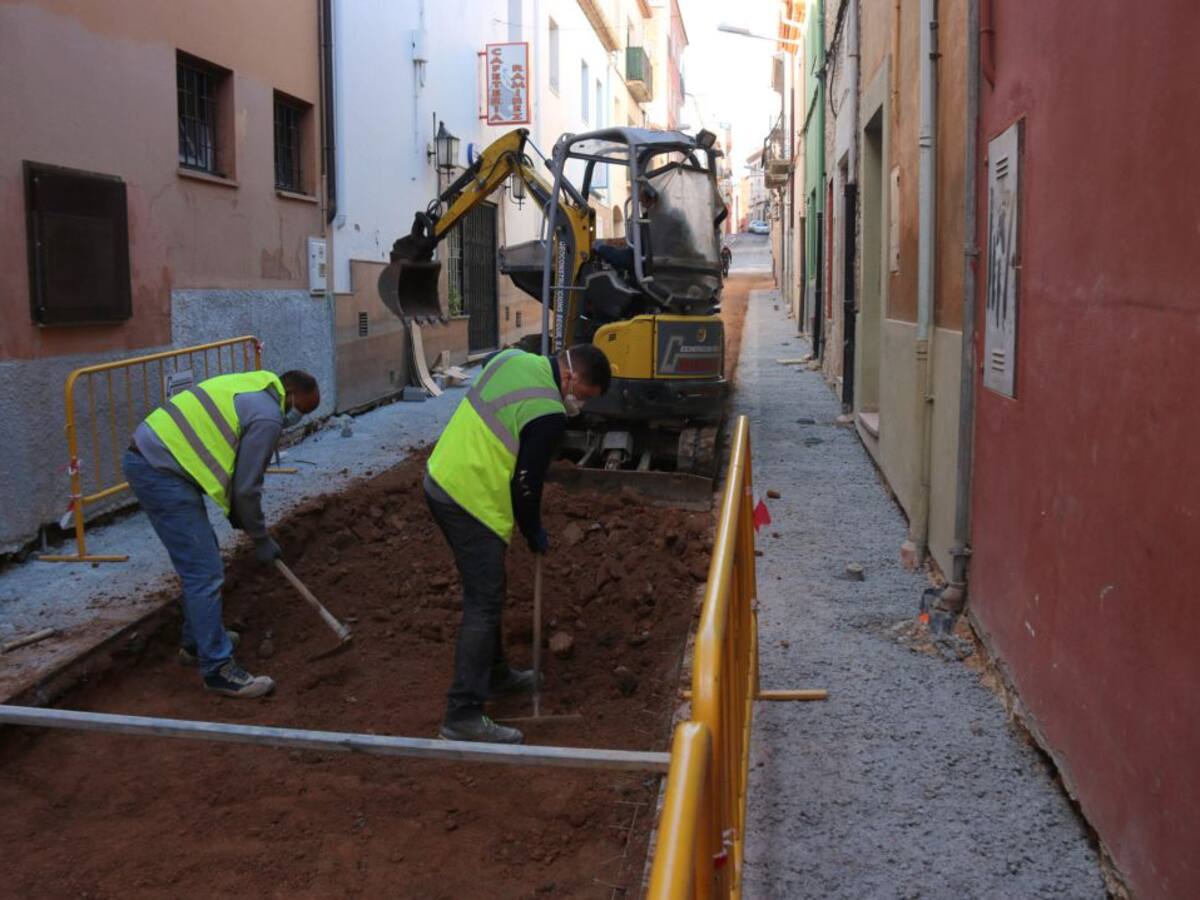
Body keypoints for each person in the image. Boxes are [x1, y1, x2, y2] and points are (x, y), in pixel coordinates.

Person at [425, 344, 612, 744]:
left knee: (487, 591)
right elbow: (526, 486)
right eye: (581, 395)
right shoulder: (548, 412)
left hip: (442, 476)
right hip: (468, 497)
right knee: (484, 602)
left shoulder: (513, 358)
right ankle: (462, 714)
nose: (576, 403)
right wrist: (532, 531)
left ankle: (494, 675)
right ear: (572, 378)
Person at [122, 369, 321, 698]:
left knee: (203, 560)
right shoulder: (269, 416)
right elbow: (246, 489)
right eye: (302, 409)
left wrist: (241, 517)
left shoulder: (255, 385)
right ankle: (217, 669)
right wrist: (260, 538)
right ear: (290, 394)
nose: (298, 417)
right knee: (204, 570)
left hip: (157, 459)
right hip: (158, 469)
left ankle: (196, 642)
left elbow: (234, 476)